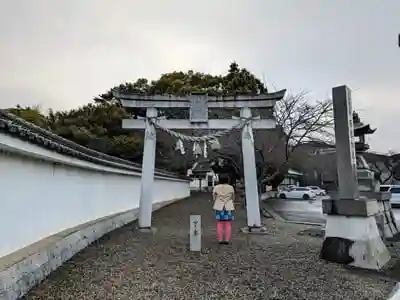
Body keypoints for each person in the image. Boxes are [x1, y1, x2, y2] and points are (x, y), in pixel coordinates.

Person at [212, 174, 235, 244]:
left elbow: (214, 197)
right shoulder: (231, 187)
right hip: (228, 207)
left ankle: (220, 240)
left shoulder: (216, 187)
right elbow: (233, 197)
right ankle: (227, 240)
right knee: (228, 223)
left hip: (219, 206)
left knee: (220, 223)